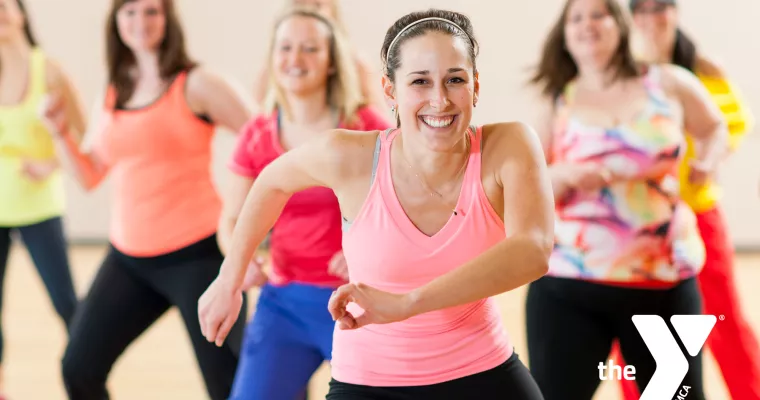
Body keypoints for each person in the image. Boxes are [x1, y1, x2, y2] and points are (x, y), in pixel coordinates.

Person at [199, 8, 552, 400]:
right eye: (420, 81)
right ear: (390, 90)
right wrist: (228, 279)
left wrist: (407, 303)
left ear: (476, 87)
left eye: (455, 80)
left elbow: (533, 250)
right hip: (370, 381)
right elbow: (270, 182)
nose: (440, 100)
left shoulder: (510, 147)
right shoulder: (350, 156)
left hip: (481, 367)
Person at [38, 0, 252, 399]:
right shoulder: (118, 86)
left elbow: (263, 140)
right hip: (129, 259)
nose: (141, 21)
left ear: (167, 18)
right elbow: (90, 174)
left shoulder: (197, 83)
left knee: (230, 387)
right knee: (78, 369)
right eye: (130, 11)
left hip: (199, 257)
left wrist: (247, 221)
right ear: (116, 20)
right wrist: (58, 132)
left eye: (151, 11)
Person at [526, 0, 728, 399]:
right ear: (565, 36)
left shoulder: (667, 82)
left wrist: (707, 160)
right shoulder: (557, 101)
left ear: (619, 24)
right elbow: (527, 184)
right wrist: (563, 175)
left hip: (663, 280)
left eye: (598, 14)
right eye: (576, 18)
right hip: (569, 286)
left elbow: (715, 125)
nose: (587, 25)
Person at [222, 7, 391, 400]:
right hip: (283, 302)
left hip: (359, 302)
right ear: (273, 57)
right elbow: (230, 219)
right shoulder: (257, 134)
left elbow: (411, 208)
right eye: (286, 48)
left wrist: (369, 253)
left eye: (310, 49)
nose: (295, 59)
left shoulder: (368, 127)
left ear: (332, 61)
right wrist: (240, 259)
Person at [609, 2, 760, 399]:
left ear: (674, 13)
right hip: (636, 224)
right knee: (636, 327)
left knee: (723, 318)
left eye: (660, 8)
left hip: (699, 214)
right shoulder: (616, 71)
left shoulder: (700, 69)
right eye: (641, 9)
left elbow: (731, 124)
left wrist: (707, 158)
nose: (651, 17)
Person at [0, 0, 81, 397]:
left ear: (20, 13)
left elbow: (82, 137)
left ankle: (85, 375)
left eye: (4, 5)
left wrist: (49, 164)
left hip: (39, 205)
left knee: (66, 303)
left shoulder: (47, 69)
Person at [252, 0, 386, 112]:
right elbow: (259, 110)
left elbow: (379, 123)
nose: (309, 10)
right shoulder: (273, 68)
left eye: (317, 5)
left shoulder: (357, 65)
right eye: (300, 4)